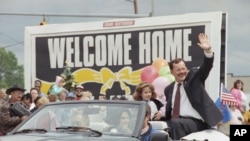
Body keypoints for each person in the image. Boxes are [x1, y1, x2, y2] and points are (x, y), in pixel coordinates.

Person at [164, 33, 223, 140]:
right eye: (178, 70)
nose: (182, 72)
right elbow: (169, 109)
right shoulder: (168, 89)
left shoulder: (194, 78)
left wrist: (208, 51)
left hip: (196, 122)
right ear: (171, 72)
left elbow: (206, 67)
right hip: (175, 122)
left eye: (183, 68)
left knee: (176, 123)